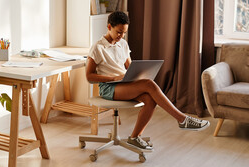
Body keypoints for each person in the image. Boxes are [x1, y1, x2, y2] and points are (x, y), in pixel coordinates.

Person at [86, 11, 210, 151]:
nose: (121, 36)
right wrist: (113, 78)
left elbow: (130, 68)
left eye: (124, 33)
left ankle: (134, 137)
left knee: (150, 100)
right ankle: (182, 119)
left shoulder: (123, 44)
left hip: (124, 84)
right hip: (108, 87)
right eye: (119, 32)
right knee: (149, 84)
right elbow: (89, 77)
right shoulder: (98, 47)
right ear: (109, 27)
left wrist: (138, 74)